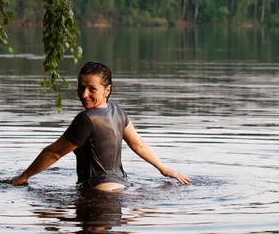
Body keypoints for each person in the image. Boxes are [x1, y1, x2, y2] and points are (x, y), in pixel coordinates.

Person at [11, 61, 190, 190]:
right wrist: (164, 169)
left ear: (108, 90)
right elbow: (138, 144)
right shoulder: (118, 111)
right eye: (81, 87)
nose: (84, 94)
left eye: (92, 89)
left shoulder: (86, 119)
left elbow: (54, 153)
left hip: (99, 192)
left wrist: (24, 176)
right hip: (122, 185)